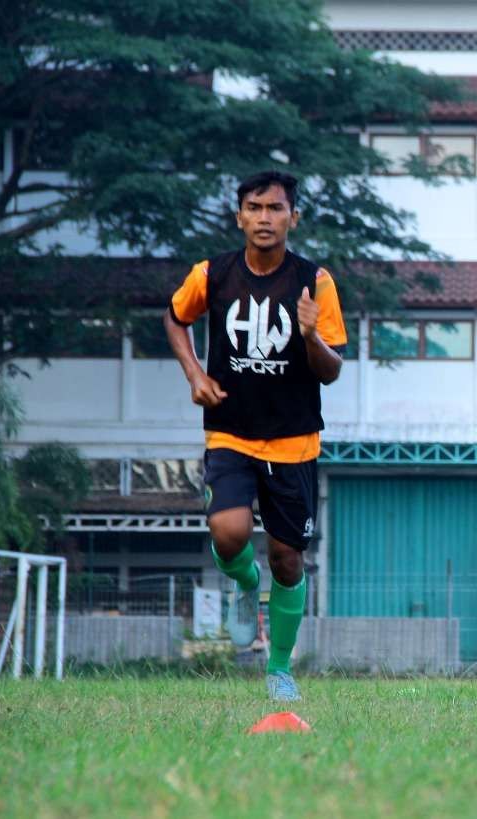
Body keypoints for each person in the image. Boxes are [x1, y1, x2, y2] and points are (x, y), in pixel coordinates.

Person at [164, 170, 346, 702]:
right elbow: (175, 319)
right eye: (254, 207)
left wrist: (311, 335)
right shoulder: (212, 274)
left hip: (294, 441)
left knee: (288, 560)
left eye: (275, 208)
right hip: (230, 433)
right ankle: (245, 588)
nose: (265, 218)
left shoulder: (317, 281)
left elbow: (331, 369)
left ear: (295, 216)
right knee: (229, 532)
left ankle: (280, 668)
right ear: (239, 215)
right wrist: (195, 375)